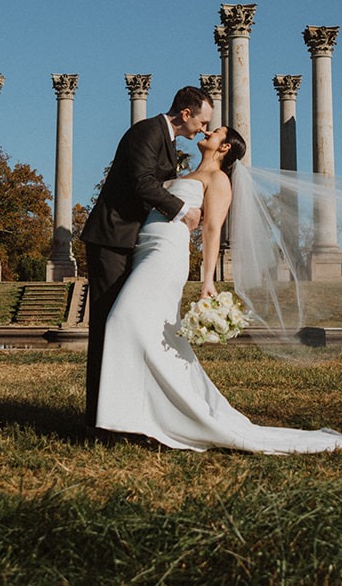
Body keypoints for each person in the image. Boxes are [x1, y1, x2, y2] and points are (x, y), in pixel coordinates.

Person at [95, 125, 342, 453]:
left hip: (165, 256)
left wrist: (207, 280)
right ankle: (141, 417)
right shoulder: (185, 173)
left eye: (215, 131)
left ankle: (140, 416)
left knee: (122, 320)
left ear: (225, 147)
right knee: (151, 334)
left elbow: (212, 230)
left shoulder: (219, 180)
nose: (207, 131)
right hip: (145, 249)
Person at [81, 85, 213, 430]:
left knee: (130, 326)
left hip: (135, 242)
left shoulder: (167, 140)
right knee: (108, 325)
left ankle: (128, 413)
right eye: (202, 122)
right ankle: (98, 420)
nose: (204, 129)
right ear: (186, 113)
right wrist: (183, 210)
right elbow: (142, 183)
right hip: (111, 239)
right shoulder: (147, 131)